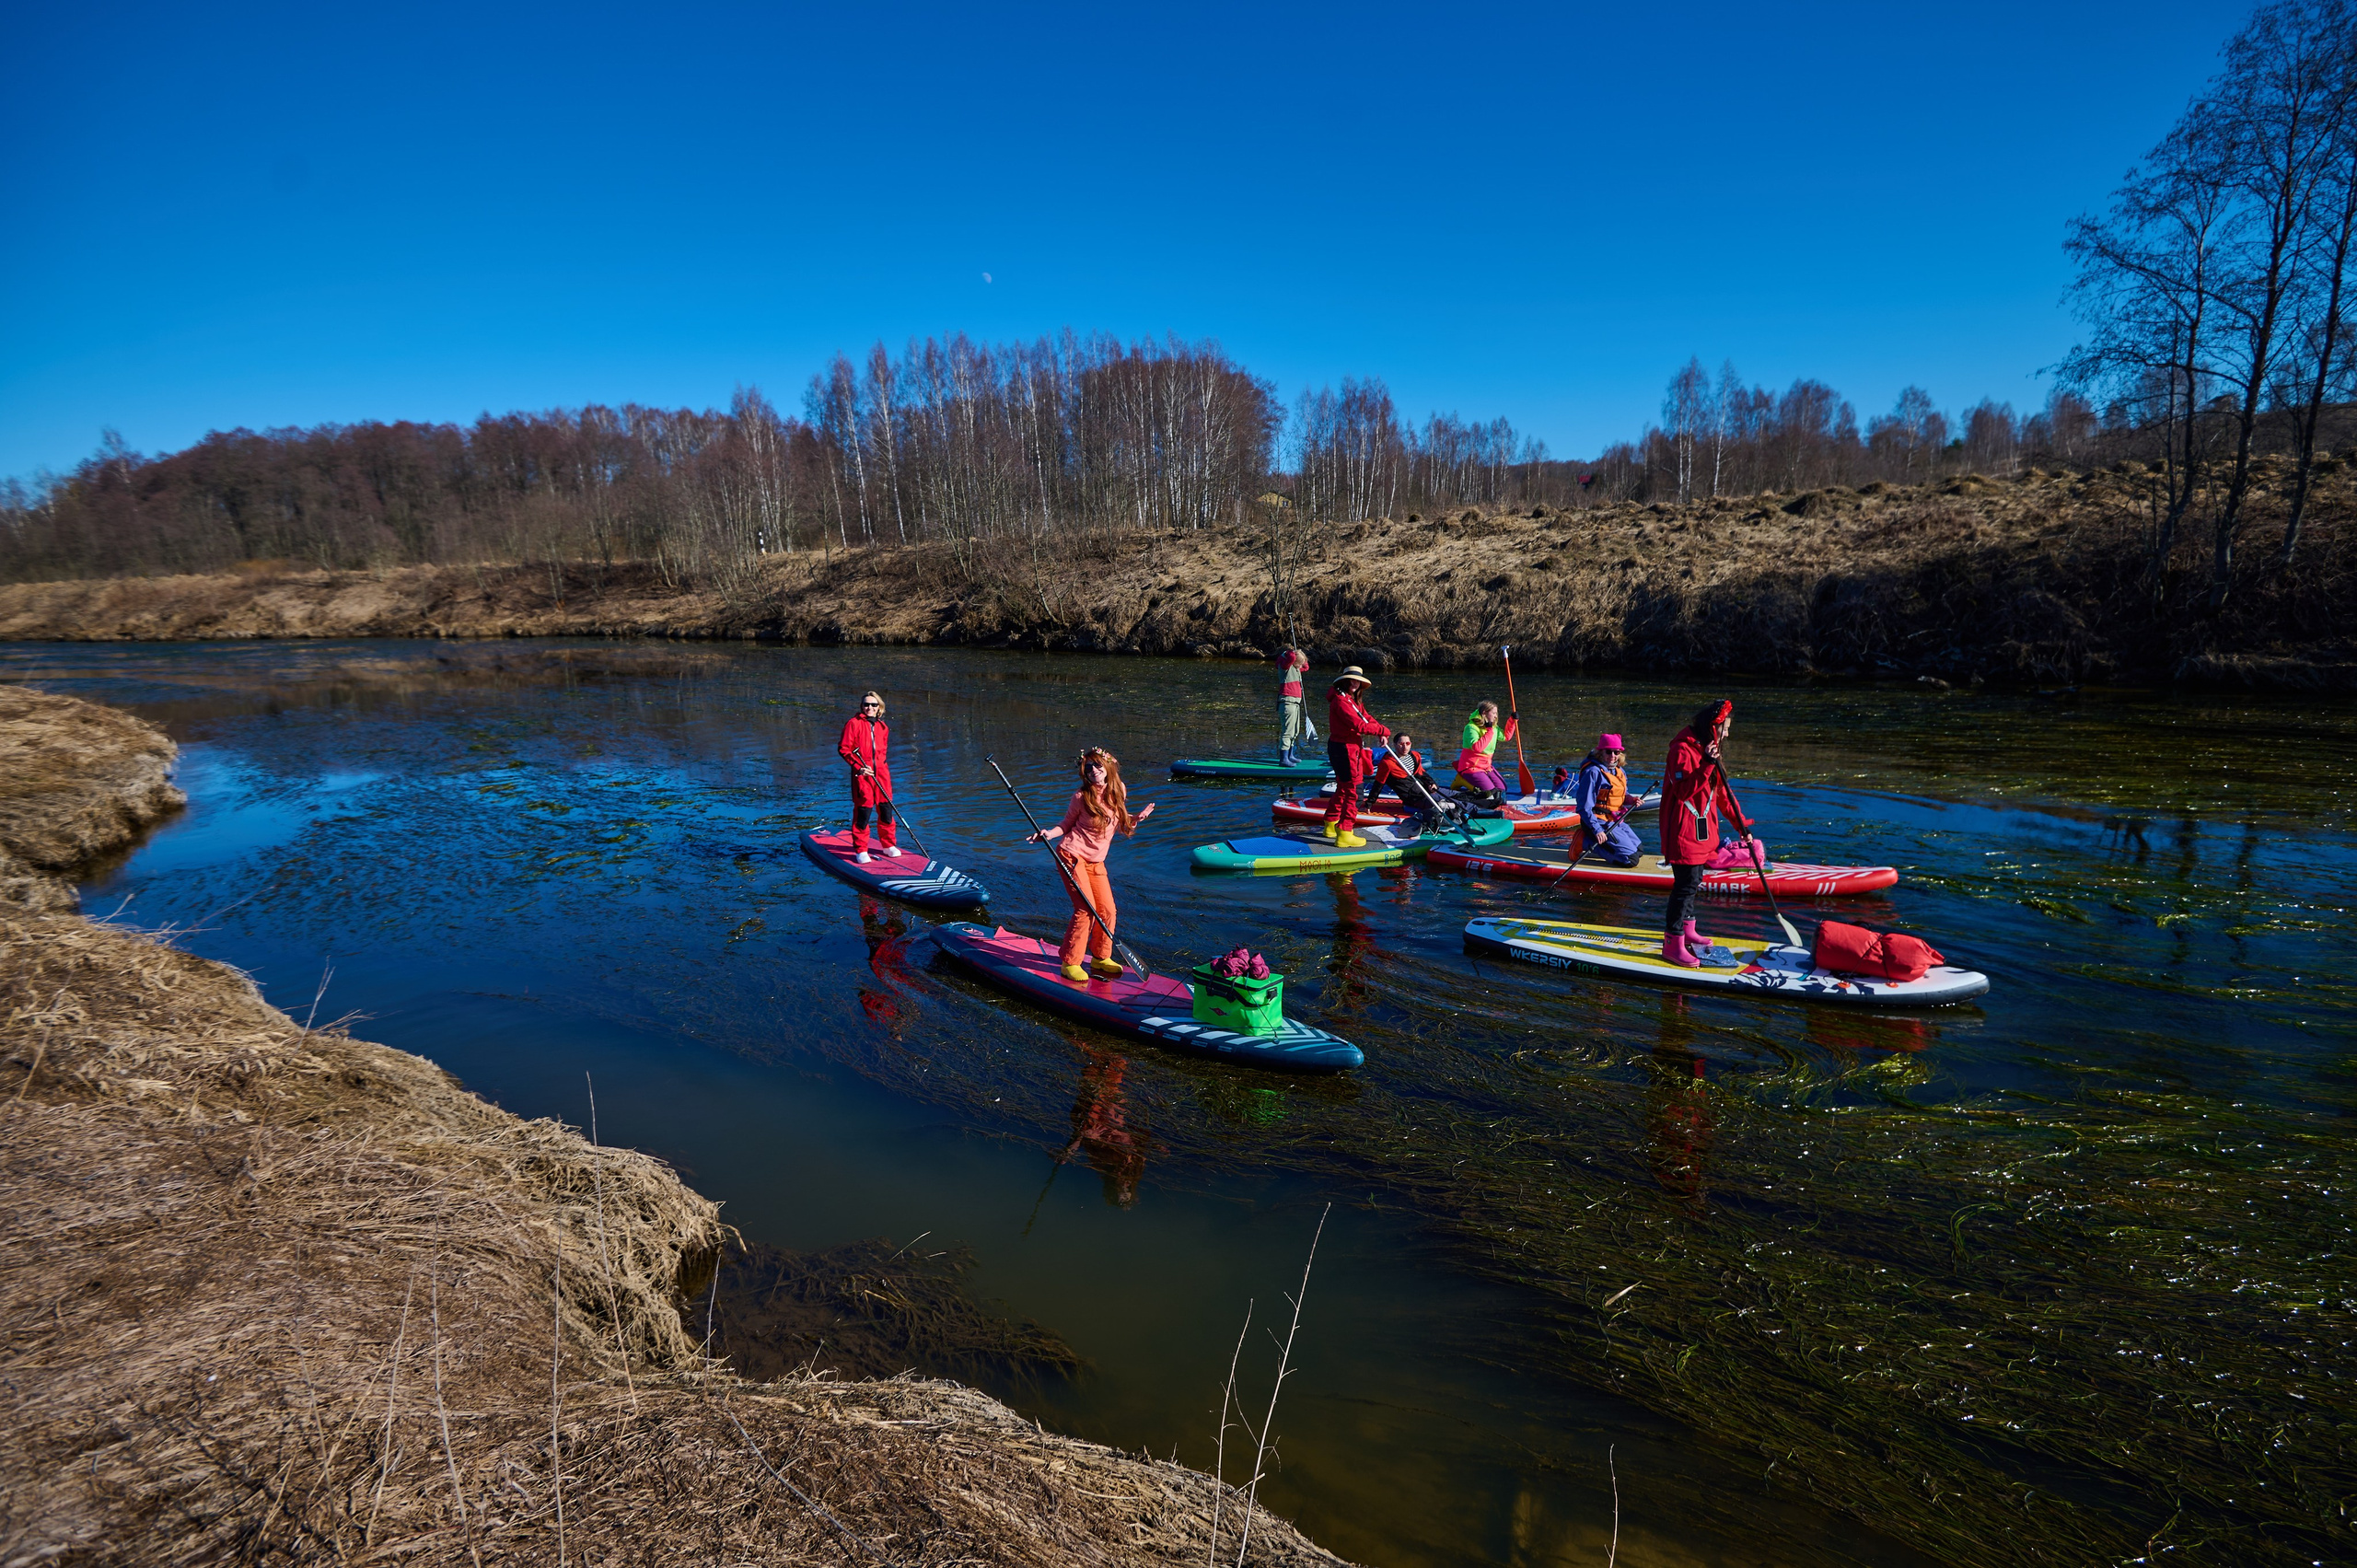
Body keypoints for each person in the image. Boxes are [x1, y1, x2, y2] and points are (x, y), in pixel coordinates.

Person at [1028, 747, 1155, 981]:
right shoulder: (1081, 796)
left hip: (1096, 862)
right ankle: (1070, 962)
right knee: (1085, 909)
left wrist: (1135, 819)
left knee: (1107, 910)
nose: (1094, 771)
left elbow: (1119, 821)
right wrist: (1048, 833)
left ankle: (1101, 957)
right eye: (1088, 768)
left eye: (1097, 766)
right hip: (1072, 856)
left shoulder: (1119, 791)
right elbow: (1066, 824)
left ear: (1108, 767)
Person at [1658, 700, 1749, 968]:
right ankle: (1672, 942)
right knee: (1684, 886)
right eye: (1725, 729)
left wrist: (1742, 827)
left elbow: (1723, 795)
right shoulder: (1680, 750)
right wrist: (1707, 763)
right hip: (1682, 830)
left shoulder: (1709, 750)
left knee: (1694, 881)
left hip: (1702, 831)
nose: (1727, 734)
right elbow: (1684, 791)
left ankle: (1688, 929)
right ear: (1712, 727)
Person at [1320, 667, 1388, 848]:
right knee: (1355, 792)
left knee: (1343, 788)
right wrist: (1382, 730)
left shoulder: (1352, 700)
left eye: (1357, 681)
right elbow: (1359, 725)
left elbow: (1366, 718)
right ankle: (1345, 832)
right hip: (1345, 749)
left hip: (1346, 748)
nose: (1354, 683)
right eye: (1351, 680)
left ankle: (1330, 824)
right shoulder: (1341, 702)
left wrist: (1379, 730)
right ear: (1343, 681)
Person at [837, 690, 900, 864]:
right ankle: (861, 849)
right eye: (866, 704)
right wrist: (859, 767)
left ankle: (888, 846)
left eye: (873, 704)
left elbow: (882, 753)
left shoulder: (883, 727)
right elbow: (844, 749)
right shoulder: (853, 723)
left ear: (879, 707)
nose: (870, 707)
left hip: (882, 774)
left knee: (886, 809)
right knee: (863, 811)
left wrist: (882, 769)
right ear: (861, 706)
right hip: (862, 773)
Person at [1572, 734, 1643, 866]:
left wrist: (1632, 800)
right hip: (1597, 821)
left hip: (1615, 820)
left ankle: (1594, 844)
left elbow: (1621, 796)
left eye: (1616, 752)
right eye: (1608, 752)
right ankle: (1584, 842)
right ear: (1600, 752)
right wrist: (1597, 829)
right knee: (1630, 860)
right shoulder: (1592, 772)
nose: (1613, 756)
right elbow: (1583, 807)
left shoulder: (1619, 770)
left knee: (1638, 851)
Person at [1368, 732, 1447, 822]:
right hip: (1414, 798)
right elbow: (1378, 784)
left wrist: (1432, 783)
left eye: (1407, 743)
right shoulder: (1387, 763)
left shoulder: (1414, 756)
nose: (1405, 747)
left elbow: (1422, 774)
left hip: (1426, 791)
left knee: (1457, 796)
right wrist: (1369, 804)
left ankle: (1464, 813)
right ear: (1395, 745)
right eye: (1401, 744)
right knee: (1446, 805)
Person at [1453, 700, 1517, 805]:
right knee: (1490, 794)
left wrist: (1512, 721)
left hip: (1486, 767)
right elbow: (1477, 747)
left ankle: (1476, 789)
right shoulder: (1471, 728)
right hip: (1471, 768)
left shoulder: (1494, 728)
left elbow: (1506, 736)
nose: (1496, 716)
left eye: (1496, 713)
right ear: (1484, 713)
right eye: (1493, 713)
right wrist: (1489, 731)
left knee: (1502, 790)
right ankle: (1464, 795)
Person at [1275, 646, 1311, 765]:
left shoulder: (1297, 669)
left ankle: (1290, 755)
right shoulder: (1285, 668)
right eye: (1299, 663)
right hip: (1287, 702)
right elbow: (1290, 657)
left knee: (1295, 731)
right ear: (1294, 661)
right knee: (1288, 732)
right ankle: (1283, 759)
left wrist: (1302, 657)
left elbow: (1306, 667)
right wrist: (1292, 652)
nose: (1301, 666)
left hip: (1295, 704)